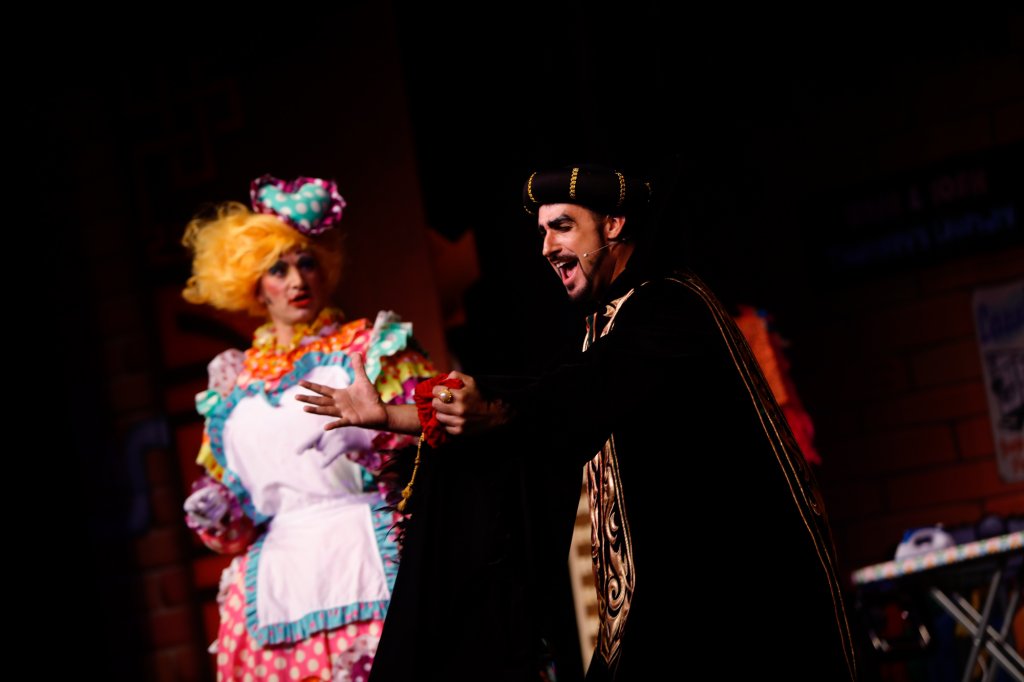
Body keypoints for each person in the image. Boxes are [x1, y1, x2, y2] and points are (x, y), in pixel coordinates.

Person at [299, 166, 859, 681]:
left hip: (732, 599)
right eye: (542, 232)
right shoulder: (608, 324)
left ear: (613, 224)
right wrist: (390, 416)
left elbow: (571, 397)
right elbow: (552, 402)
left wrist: (492, 409)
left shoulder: (669, 304)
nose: (546, 247)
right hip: (666, 598)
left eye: (562, 227)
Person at [181, 174, 436, 682]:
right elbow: (239, 523)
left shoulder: (369, 347)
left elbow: (436, 437)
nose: (297, 280)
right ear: (254, 284)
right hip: (279, 583)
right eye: (278, 268)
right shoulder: (233, 383)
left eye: (307, 263)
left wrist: (382, 439)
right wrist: (218, 512)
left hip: (372, 555)